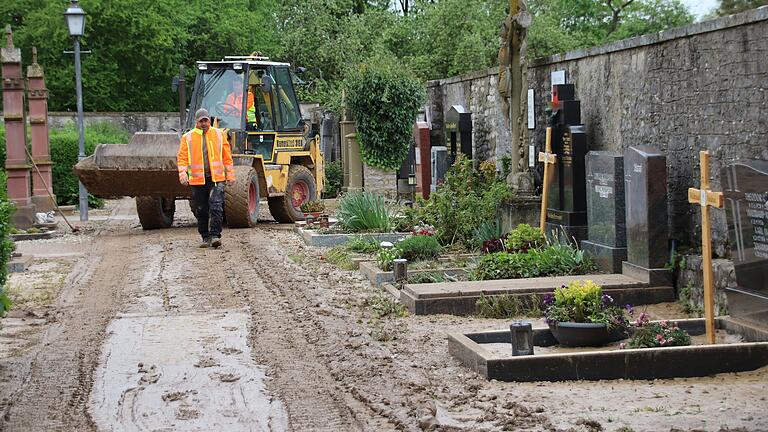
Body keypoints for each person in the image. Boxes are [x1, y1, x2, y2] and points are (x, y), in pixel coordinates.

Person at [177, 108, 236, 248]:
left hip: (216, 178)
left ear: (209, 120)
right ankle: (205, 236)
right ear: (196, 122)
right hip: (197, 180)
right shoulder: (188, 137)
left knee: (216, 206)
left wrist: (230, 175)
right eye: (201, 121)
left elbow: (227, 157)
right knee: (201, 209)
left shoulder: (220, 134)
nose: (204, 123)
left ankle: (215, 235)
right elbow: (182, 158)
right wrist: (182, 173)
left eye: (206, 120)